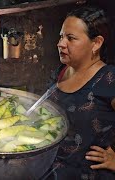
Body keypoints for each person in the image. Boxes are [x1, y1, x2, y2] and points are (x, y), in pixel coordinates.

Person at [45, 6, 115, 179]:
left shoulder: (109, 78)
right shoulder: (61, 71)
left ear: (96, 43)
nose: (60, 43)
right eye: (61, 36)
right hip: (51, 171)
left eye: (71, 38)